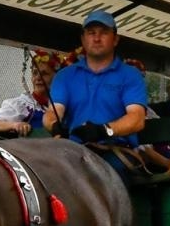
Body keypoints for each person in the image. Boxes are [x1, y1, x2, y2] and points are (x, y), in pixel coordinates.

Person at [41, 9, 148, 164]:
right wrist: (54, 125)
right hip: (72, 152)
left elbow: (137, 119)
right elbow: (53, 112)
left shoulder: (130, 75)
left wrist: (104, 130)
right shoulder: (65, 76)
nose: (97, 38)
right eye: (91, 33)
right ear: (83, 40)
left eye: (104, 32)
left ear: (116, 39)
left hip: (115, 151)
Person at [0, 50, 63, 136]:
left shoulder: (62, 105)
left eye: (44, 74)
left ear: (57, 77)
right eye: (35, 73)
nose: (38, 78)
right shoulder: (24, 105)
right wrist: (15, 125)